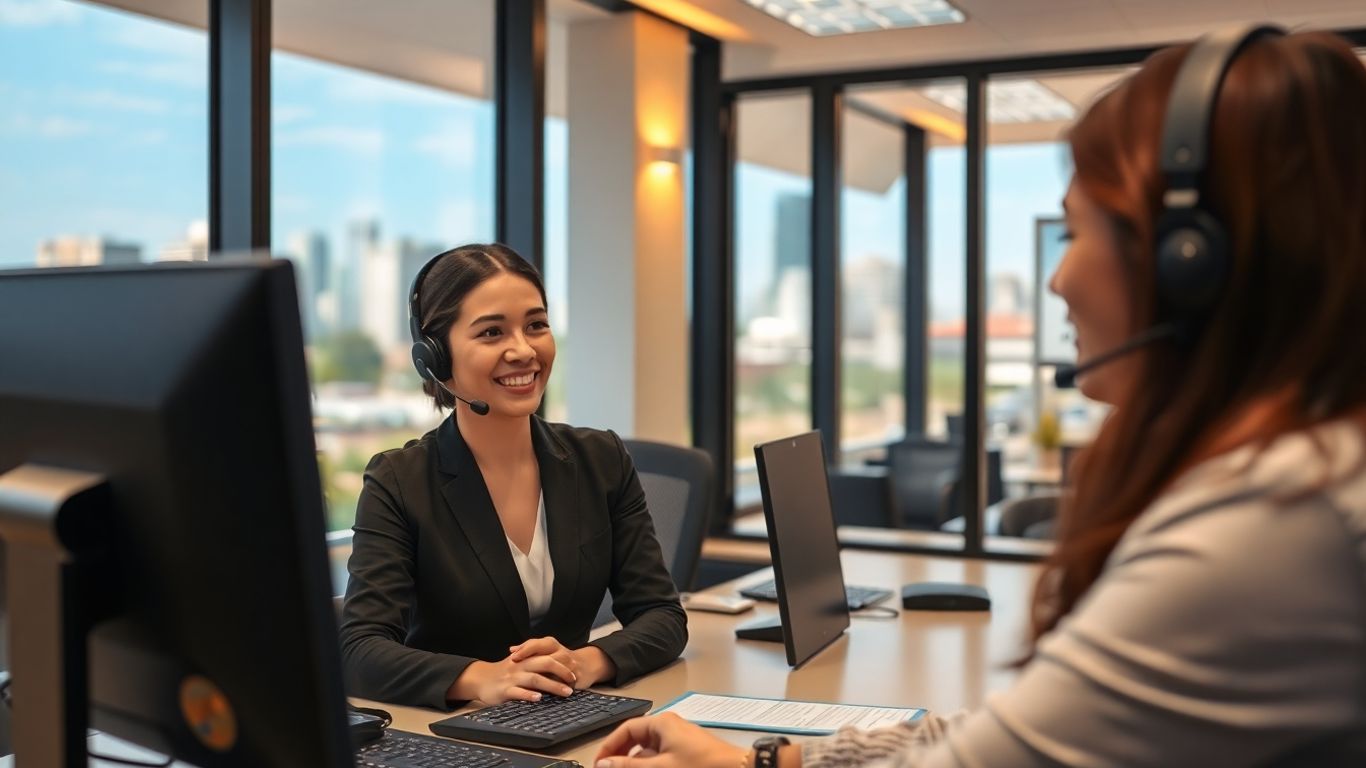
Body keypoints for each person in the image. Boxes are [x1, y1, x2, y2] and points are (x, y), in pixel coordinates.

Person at [594, 26, 1366, 768]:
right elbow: (1003, 744)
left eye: (1074, 235)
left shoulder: (1268, 518)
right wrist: (772, 756)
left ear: (1188, 262)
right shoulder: (1307, 476)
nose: (1058, 282)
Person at [339, 243, 687, 709]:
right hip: (452, 738)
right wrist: (481, 678)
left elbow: (662, 614)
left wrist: (589, 661)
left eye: (536, 325)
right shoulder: (399, 482)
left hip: (571, 717)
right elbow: (359, 651)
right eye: (491, 333)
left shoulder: (599, 459)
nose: (523, 350)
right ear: (435, 358)